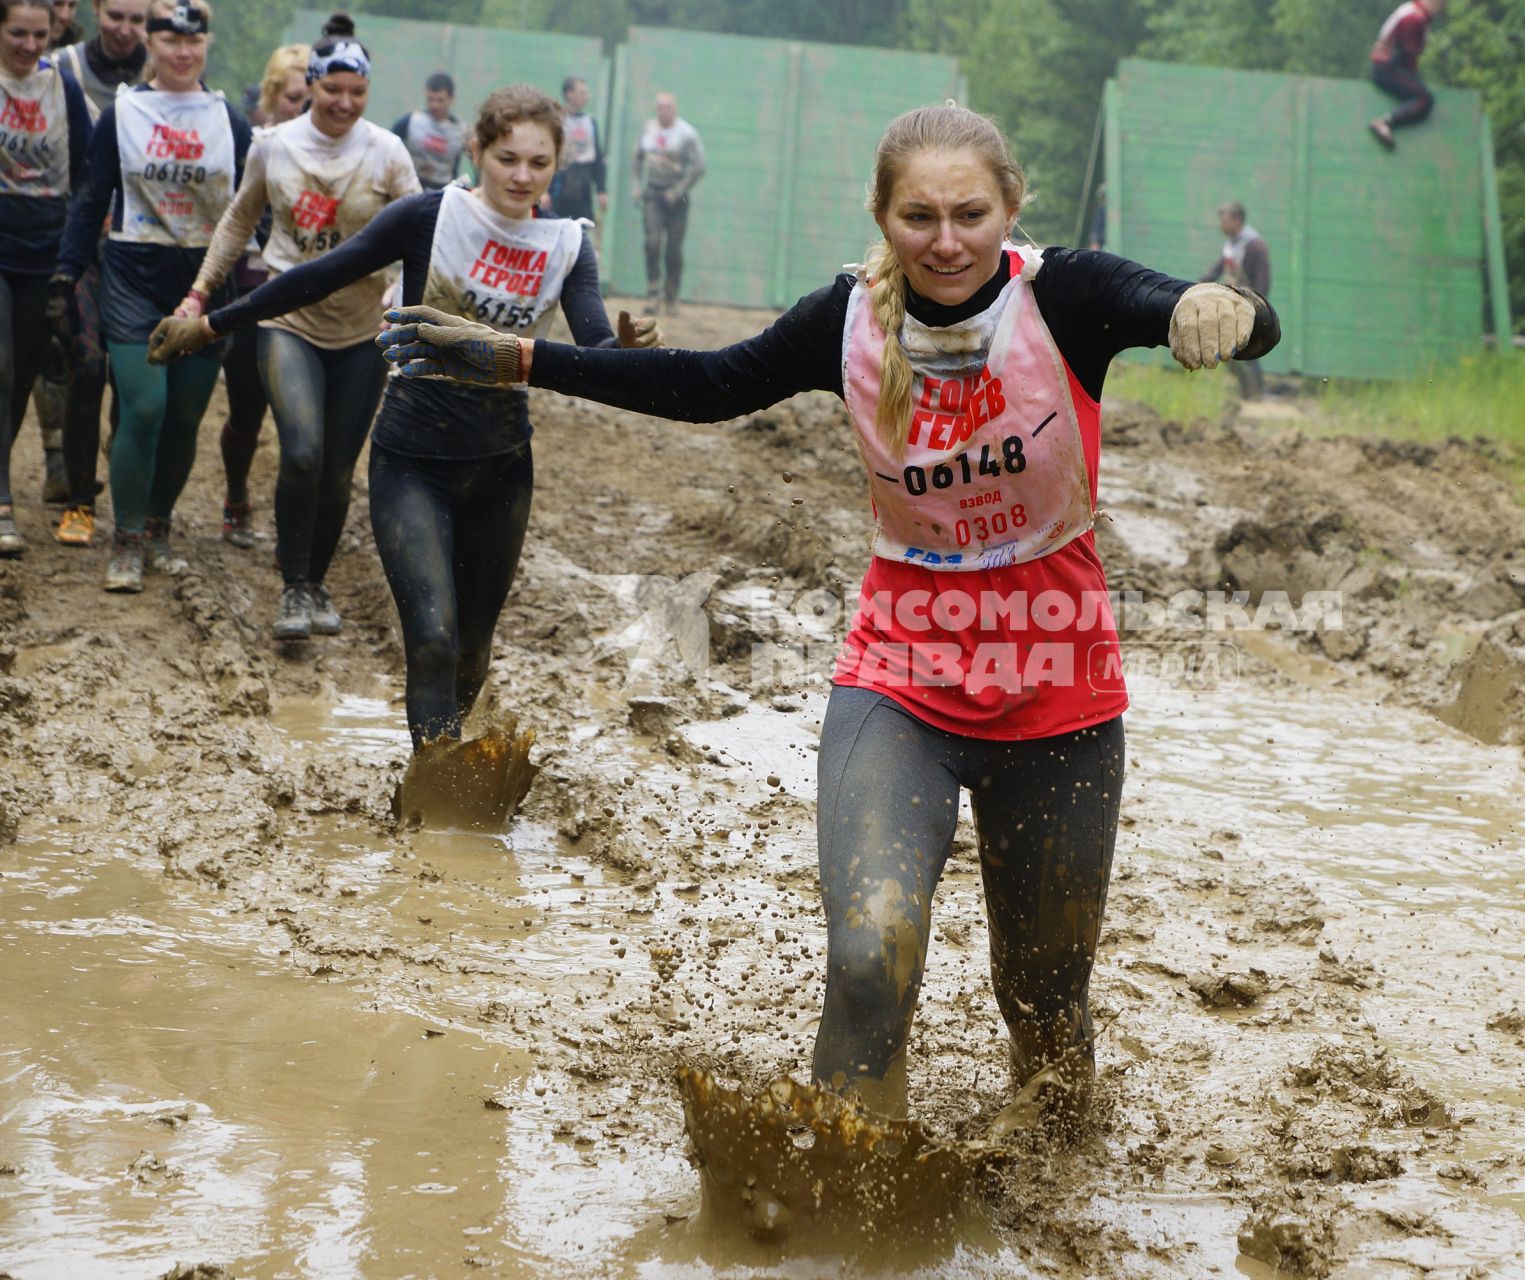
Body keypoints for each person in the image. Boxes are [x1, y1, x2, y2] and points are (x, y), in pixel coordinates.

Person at [378, 104, 1278, 1124]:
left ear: (1009, 209)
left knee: (1043, 1003)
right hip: (900, 682)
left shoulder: (1065, 295)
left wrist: (1219, 304)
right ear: (883, 217)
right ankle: (840, 1202)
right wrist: (520, 358)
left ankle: (1058, 1166)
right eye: (919, 216)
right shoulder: (846, 319)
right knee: (866, 953)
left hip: (1060, 695)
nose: (946, 241)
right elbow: (707, 385)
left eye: (969, 214)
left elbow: (1205, 306)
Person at [151, 86, 654, 731]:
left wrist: (628, 352)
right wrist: (211, 324)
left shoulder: (567, 245)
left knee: (472, 652)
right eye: (507, 159)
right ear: (477, 150)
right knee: (435, 639)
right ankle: (434, 795)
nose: (522, 176)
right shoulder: (429, 216)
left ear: (558, 165)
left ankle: (440, 768)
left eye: (539, 163)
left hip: (503, 466)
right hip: (412, 459)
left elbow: (595, 350)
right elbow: (320, 274)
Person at [168, 16, 419, 639]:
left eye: (356, 93)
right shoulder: (274, 145)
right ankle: (290, 588)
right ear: (311, 84)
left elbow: (425, 235)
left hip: (363, 328)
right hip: (288, 321)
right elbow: (235, 223)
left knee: (336, 469)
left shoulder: (387, 152)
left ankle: (315, 584)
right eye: (332, 89)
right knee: (302, 453)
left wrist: (402, 289)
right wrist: (198, 296)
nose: (343, 103)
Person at [51, 0, 250, 590]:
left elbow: (252, 205)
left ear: (207, 45)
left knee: (185, 415)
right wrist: (66, 273)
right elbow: (91, 197)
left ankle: (159, 529)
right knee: (144, 407)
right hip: (133, 273)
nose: (183, 52)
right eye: (170, 41)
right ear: (152, 46)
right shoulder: (123, 114)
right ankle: (127, 539)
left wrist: (249, 253)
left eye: (194, 42)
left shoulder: (230, 120)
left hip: (206, 281)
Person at [43, 0, 144, 543]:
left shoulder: (167, 75)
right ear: (97, 11)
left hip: (139, 250)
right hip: (76, 240)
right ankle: (77, 496)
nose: (125, 30)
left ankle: (126, 479)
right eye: (115, 16)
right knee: (84, 367)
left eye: (137, 19)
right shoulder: (63, 69)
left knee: (131, 380)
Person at [0, 0, 91, 556]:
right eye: (16, 33)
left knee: (21, 378)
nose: (29, 45)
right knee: (1, 365)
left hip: (44, 252)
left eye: (40, 34)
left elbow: (86, 167)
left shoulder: (63, 90)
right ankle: (3, 502)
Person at [211, 39, 306, 550]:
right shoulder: (253, 145)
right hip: (252, 294)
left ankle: (298, 520)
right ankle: (236, 493)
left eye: (311, 98)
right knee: (248, 410)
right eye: (294, 98)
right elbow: (230, 218)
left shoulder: (350, 151)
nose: (304, 109)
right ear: (272, 97)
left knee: (304, 425)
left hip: (316, 303)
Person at [631, 90, 701, 313]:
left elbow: (698, 167)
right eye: (660, 107)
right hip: (653, 193)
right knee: (652, 242)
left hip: (676, 197)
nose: (664, 111)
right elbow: (637, 157)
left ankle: (671, 296)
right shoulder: (648, 129)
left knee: (673, 248)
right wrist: (636, 185)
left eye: (668, 107)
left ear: (675, 109)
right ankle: (653, 293)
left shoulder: (686, 133)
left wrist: (678, 189)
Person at [1200, 201, 1270, 399]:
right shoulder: (1231, 243)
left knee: (1247, 350)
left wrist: (1258, 307)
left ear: (1237, 220)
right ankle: (1247, 392)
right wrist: (1199, 284)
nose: (1222, 223)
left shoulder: (1255, 245)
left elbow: (1263, 280)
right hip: (1233, 303)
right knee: (1232, 349)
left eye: (1225, 219)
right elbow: (1218, 269)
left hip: (1249, 305)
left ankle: (1256, 394)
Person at [1368, 0, 1444, 150]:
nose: (1442, 6)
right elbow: (1408, 55)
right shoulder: (1414, 18)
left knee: (1422, 92)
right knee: (1424, 98)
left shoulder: (1415, 12)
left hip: (1389, 66)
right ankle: (1385, 122)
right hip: (1387, 68)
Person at [547, 74, 605, 226]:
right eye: (582, 92)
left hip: (583, 183)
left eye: (586, 92)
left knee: (581, 228)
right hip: (560, 182)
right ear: (569, 94)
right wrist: (545, 191)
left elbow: (598, 158)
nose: (586, 96)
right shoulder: (557, 120)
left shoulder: (590, 122)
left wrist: (601, 190)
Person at [392, 70, 463, 192]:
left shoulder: (460, 131)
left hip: (443, 190)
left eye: (440, 100)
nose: (434, 105)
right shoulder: (412, 121)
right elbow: (390, 143)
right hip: (411, 185)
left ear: (451, 99)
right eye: (430, 99)